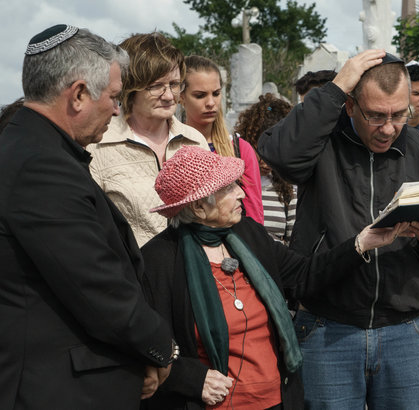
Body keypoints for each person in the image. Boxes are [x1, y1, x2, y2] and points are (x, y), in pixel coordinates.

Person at [258, 50, 419, 408]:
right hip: (328, 328)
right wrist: (337, 85)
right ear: (350, 106)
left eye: (398, 115)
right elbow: (278, 153)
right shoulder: (321, 144)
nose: (388, 128)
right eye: (375, 116)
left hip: (408, 331)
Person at [139, 146, 406, 409]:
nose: (242, 193)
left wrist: (361, 243)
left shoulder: (248, 235)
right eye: (229, 188)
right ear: (198, 206)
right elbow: (147, 343)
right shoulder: (158, 261)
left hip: (276, 399)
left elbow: (303, 275)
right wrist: (192, 379)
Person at [0, 24, 176, 409]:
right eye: (113, 97)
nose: (117, 108)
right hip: (60, 390)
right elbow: (97, 286)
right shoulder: (40, 166)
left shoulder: (34, 149)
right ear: (79, 94)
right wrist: (161, 347)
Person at [88, 32, 209, 246]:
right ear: (130, 87)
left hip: (194, 269)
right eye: (156, 86)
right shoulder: (98, 146)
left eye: (174, 84)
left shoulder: (194, 140)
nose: (169, 96)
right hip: (134, 275)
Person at [181, 55, 264, 225]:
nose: (211, 102)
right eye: (200, 95)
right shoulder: (172, 147)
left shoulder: (240, 149)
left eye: (216, 93)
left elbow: (254, 218)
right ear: (181, 97)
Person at [235, 94, 296, 244]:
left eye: (275, 151)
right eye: (260, 151)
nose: (266, 162)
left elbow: (293, 243)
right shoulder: (233, 186)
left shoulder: (287, 190)